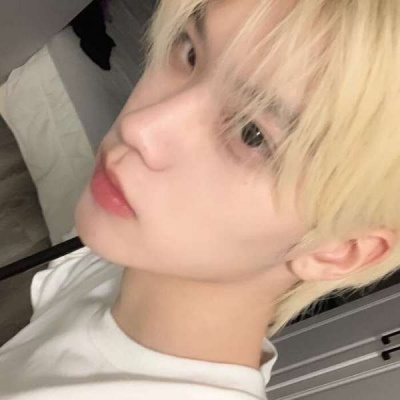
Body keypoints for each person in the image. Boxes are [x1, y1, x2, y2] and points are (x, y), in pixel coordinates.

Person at [1, 0, 400, 398]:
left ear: (339, 250)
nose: (139, 127)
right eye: (190, 53)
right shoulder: (135, 253)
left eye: (251, 134)